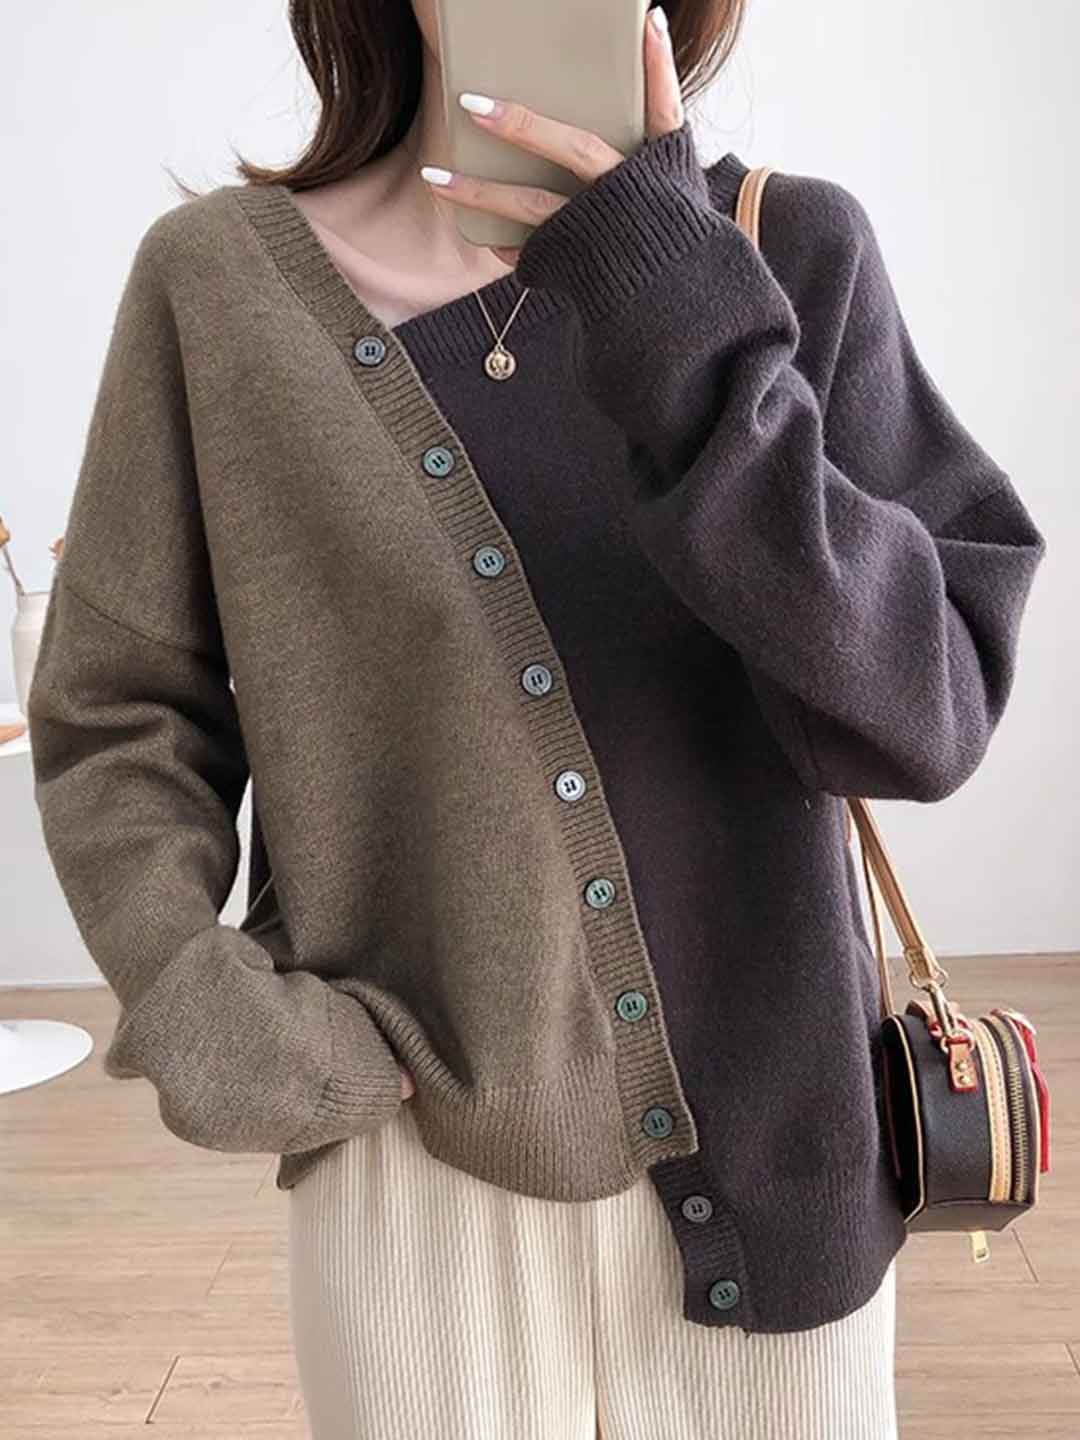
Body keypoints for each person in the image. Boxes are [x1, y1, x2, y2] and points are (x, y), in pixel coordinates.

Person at [27, 2, 1047, 1438]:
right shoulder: (220, 287)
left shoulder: (790, 251)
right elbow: (119, 712)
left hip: (780, 1165)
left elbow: (921, 716)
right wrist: (194, 995)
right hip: (417, 1174)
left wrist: (680, 317)